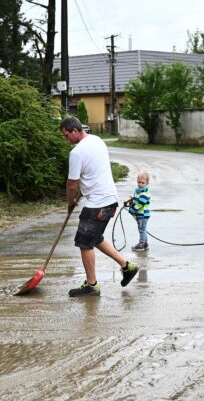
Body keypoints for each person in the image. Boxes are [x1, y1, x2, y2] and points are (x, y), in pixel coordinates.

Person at [60, 116, 139, 297]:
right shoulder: (97, 140)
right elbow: (92, 171)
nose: (66, 139)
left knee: (84, 242)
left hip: (98, 203)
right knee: (94, 237)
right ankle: (127, 267)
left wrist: (70, 202)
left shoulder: (77, 153)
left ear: (74, 130)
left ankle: (92, 285)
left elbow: (72, 184)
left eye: (66, 135)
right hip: (110, 200)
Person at [127, 171, 151, 251]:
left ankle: (141, 244)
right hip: (139, 215)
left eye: (143, 183)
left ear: (147, 183)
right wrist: (131, 202)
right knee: (142, 229)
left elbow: (140, 204)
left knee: (142, 230)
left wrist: (132, 210)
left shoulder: (144, 193)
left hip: (143, 215)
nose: (140, 184)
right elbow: (136, 200)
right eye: (139, 182)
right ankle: (145, 243)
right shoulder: (138, 191)